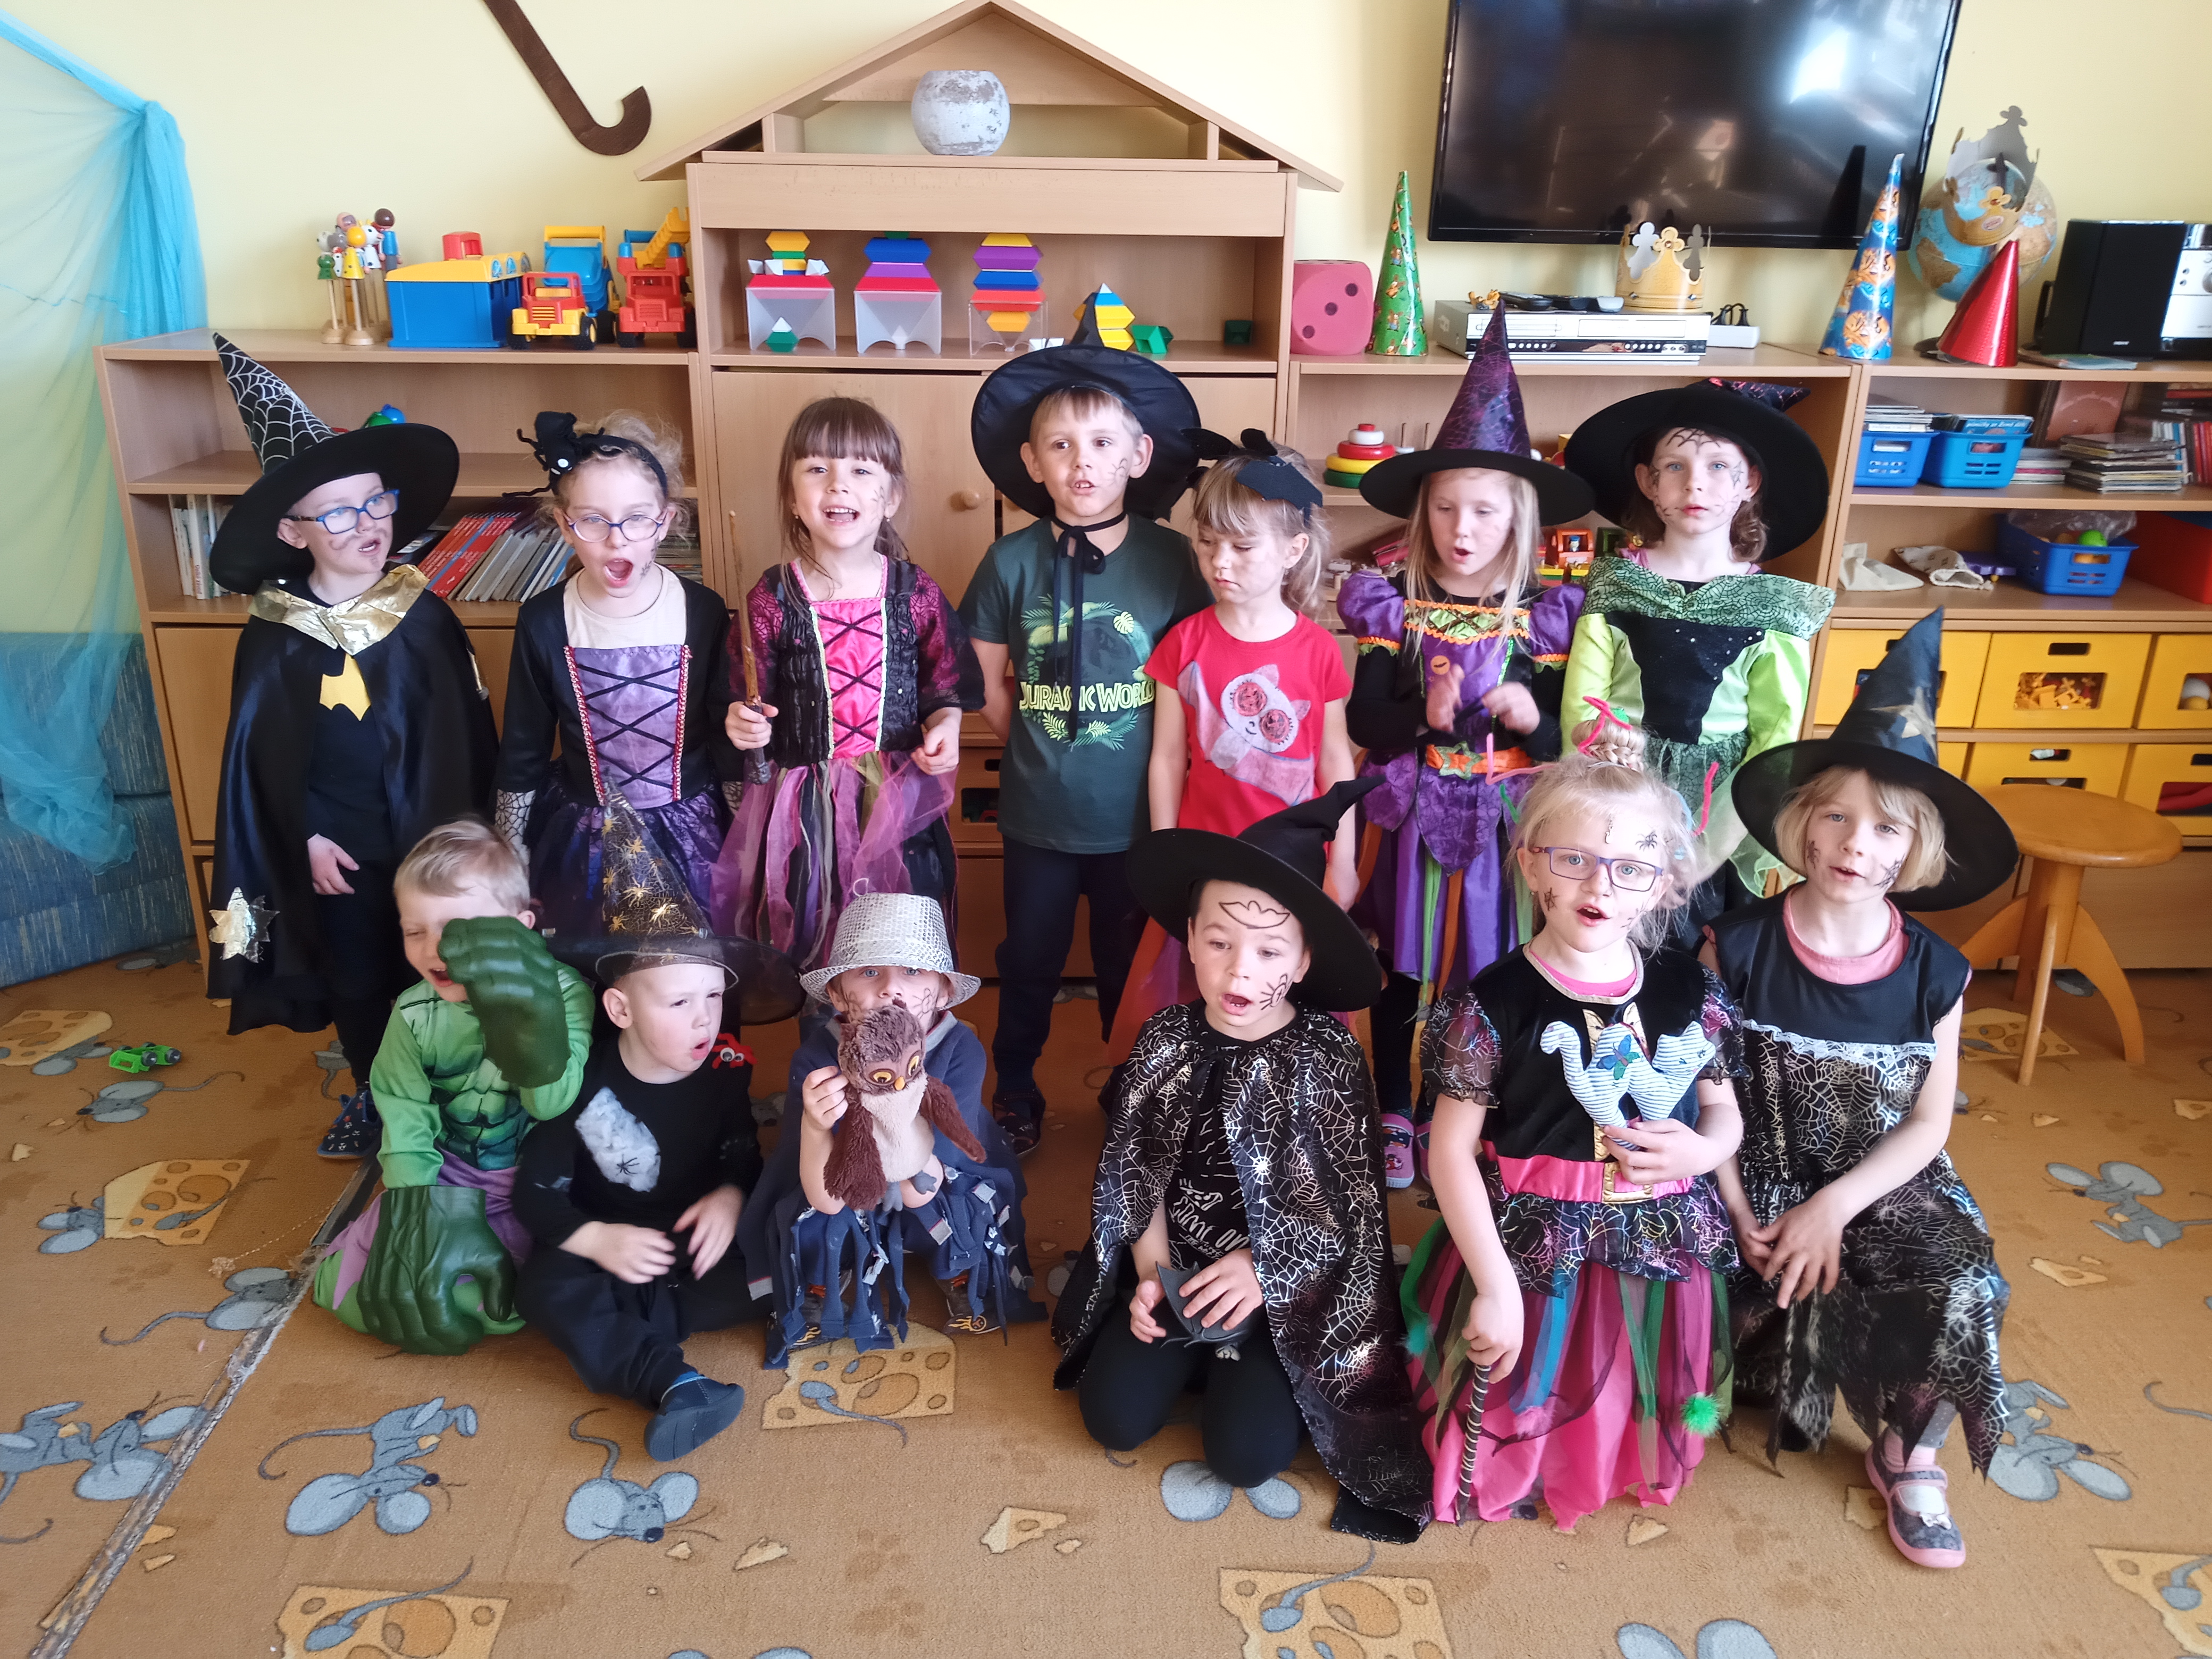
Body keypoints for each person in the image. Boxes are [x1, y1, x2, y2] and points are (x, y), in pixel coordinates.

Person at [1711, 610, 2017, 1570]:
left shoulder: (1937, 973)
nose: (1854, 844)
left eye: (1886, 828)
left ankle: (1906, 1453)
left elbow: (1928, 1123)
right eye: (1836, 816)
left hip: (1876, 1178)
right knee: (1665, 1264)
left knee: (1964, 1274)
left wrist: (1834, 1208)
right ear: (1803, 820)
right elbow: (1701, 1090)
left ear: (1912, 849)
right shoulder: (1739, 946)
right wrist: (1742, 1207)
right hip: (1743, 1167)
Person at [1053, 780, 1431, 1543]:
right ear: (1191, 937)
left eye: (1268, 951)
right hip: (1177, 1265)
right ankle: (1191, 1348)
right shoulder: (1164, 1038)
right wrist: (1154, 1276)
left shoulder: (1326, 1054)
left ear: (1304, 958)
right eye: (1220, 943)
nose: (1238, 974)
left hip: (1285, 1288)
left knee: (1245, 1457)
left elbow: (1349, 1209)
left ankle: (1242, 1355)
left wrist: (1263, 1271)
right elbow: (1133, 1171)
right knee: (1113, 1419)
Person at [1402, 707, 1746, 1530]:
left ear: (1664, 882)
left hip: (1658, 1233)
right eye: (1575, 861)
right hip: (1528, 1241)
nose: (1599, 888)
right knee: (1527, 1361)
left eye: (1629, 869)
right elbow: (1448, 1154)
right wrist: (1495, 1287)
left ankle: (1607, 1458)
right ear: (1531, 863)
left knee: (1630, 1362)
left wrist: (1700, 1152)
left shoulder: (1691, 992)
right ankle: (1525, 1458)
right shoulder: (1493, 1003)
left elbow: (1726, 1117)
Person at [202, 336, 497, 1159]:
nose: (365, 525)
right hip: (339, 852)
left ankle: (464, 1091)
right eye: (337, 513)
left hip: (431, 842)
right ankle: (377, 1091)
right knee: (359, 977)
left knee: (449, 969)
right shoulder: (274, 634)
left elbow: (468, 739)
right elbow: (256, 762)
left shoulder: (424, 616)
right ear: (292, 531)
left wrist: (469, 839)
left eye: (376, 503)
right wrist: (302, 836)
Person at [1339, 309, 1597, 1184]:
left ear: (1517, 517)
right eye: (1446, 508)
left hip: (1507, 825)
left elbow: (1566, 738)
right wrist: (1426, 714)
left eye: (1484, 511)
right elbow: (1366, 723)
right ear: (1424, 512)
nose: (1462, 527)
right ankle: (1396, 1108)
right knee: (1402, 967)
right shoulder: (1392, 605)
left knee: (1489, 973)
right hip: (1413, 817)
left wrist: (1530, 720)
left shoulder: (1547, 617)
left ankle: (1469, 1115)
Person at [960, 329, 1211, 1153]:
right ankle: (1016, 1087)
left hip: (1135, 822)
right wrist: (1037, 747)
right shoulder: (1008, 562)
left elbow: (1191, 684)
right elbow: (987, 682)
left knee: (1125, 967)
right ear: (1032, 462)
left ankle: (1131, 1089)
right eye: (1061, 446)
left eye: (1102, 444)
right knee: (1028, 960)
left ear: (1139, 455)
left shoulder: (1175, 562)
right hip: (1038, 819)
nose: (1082, 463)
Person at [516, 799, 804, 1462]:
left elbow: (740, 1152)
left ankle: (644, 1316)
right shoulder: (581, 1082)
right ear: (620, 1008)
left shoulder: (724, 1069)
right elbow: (536, 1193)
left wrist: (730, 1197)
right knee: (543, 1287)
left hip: (692, 1243)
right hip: (608, 1239)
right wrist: (597, 1238)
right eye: (679, 1002)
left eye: (713, 997)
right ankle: (669, 1378)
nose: (704, 1019)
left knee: (792, 1253)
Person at [713, 398, 981, 982]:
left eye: (861, 470)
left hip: (896, 798)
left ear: (891, 497)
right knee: (818, 929)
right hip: (803, 805)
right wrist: (742, 721)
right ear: (792, 498)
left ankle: (903, 1033)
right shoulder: (771, 598)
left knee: (897, 932)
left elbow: (945, 687)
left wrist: (948, 724)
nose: (838, 485)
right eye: (817, 469)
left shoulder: (916, 593)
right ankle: (822, 1030)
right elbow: (742, 695)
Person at [1105, 431, 1350, 1060]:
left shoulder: (1318, 650)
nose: (1219, 562)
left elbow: (1334, 763)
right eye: (1207, 542)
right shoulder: (1183, 643)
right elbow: (1167, 758)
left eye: (1242, 547)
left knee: (1281, 992)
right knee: (1202, 989)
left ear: (1293, 550)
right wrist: (1164, 848)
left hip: (1295, 865)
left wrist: (1343, 862)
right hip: (1205, 859)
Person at [1560, 381, 1834, 937]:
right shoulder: (1615, 585)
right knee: (1610, 923)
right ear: (1647, 481)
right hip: (1622, 784)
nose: (1695, 484)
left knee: (1696, 934)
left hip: (1719, 802)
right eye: (1674, 466)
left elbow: (1774, 737)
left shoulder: (1771, 607)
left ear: (1748, 483)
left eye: (1718, 466)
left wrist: (1712, 848)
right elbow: (1582, 707)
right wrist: (1593, 788)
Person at [312, 819, 594, 1353]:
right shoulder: (413, 1012)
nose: (433, 949)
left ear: (520, 928)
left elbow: (553, 1104)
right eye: (414, 931)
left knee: (515, 1297)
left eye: (456, 928)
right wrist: (416, 1212)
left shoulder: (565, 994)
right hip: (447, 1175)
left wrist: (528, 1025)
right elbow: (404, 1116)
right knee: (344, 1289)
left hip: (536, 1181)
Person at [744, 893, 1043, 1363]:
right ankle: (823, 1282)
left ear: (943, 992)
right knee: (813, 1219)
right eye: (869, 972)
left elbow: (929, 1179)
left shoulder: (960, 1050)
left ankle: (961, 1272)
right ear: (837, 994)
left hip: (932, 1172)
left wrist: (895, 1107)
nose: (891, 989)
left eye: (913, 971)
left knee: (959, 1210)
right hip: (845, 1178)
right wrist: (817, 1128)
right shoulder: (816, 1057)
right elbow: (825, 1193)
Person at [495, 411, 741, 942]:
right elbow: (523, 746)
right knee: (594, 964)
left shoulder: (701, 611)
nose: (616, 540)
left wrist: (747, 831)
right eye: (593, 520)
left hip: (693, 836)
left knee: (695, 966)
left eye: (636, 519)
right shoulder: (544, 619)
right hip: (585, 841)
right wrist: (510, 848)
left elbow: (724, 737)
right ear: (565, 525)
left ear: (665, 522)